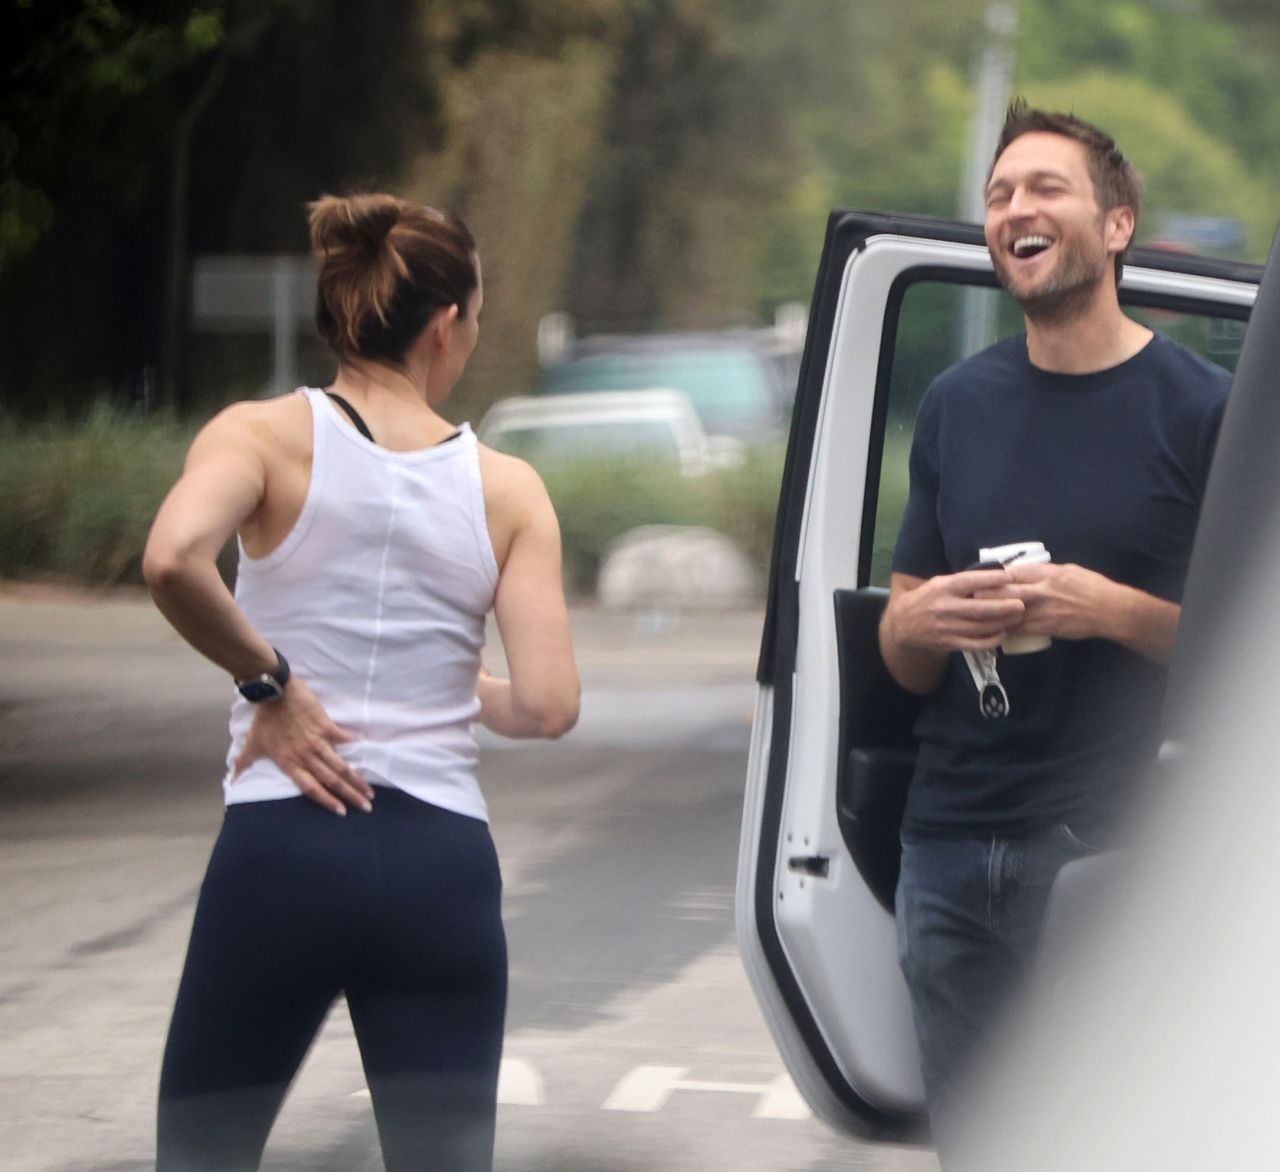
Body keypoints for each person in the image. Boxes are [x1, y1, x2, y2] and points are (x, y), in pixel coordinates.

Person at [143, 192, 580, 1171]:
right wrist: (450, 682)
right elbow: (549, 706)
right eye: (476, 315)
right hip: (438, 872)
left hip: (281, 848)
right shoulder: (508, 489)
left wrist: (275, 685)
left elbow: (173, 556)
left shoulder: (257, 436)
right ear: (443, 327)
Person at [878, 100, 1231, 1154]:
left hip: (1111, 846)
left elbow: (1247, 657)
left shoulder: (1201, 412)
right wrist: (923, 617)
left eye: (1042, 188)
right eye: (997, 195)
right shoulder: (952, 405)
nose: (1012, 210)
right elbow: (896, 655)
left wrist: (1105, 608)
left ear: (1115, 223)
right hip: (943, 845)